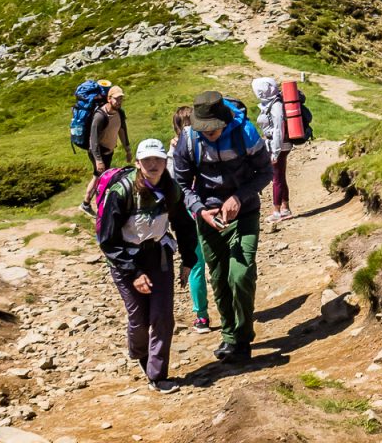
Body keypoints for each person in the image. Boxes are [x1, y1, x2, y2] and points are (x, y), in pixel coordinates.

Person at [95, 138, 200, 393]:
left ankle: (157, 375)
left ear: (165, 161)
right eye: (147, 160)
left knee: (163, 317)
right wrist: (134, 273)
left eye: (158, 160)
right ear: (138, 163)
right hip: (126, 260)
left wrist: (189, 260)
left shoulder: (171, 189)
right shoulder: (121, 192)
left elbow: (184, 225)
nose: (153, 165)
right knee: (139, 319)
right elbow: (107, 240)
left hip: (159, 256)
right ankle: (141, 354)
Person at [176, 90, 270, 364]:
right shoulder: (189, 139)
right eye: (203, 129)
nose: (208, 134)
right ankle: (230, 336)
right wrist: (200, 210)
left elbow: (265, 172)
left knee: (240, 275)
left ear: (223, 120)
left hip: (245, 213)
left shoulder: (246, 133)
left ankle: (242, 337)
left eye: (212, 129)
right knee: (218, 278)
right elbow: (181, 184)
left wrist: (239, 198)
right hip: (208, 217)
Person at [168, 105, 213, 334]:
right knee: (217, 259)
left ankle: (202, 316)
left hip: (185, 214)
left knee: (197, 265)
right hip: (208, 208)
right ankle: (230, 308)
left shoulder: (172, 153)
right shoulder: (205, 143)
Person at [80, 85, 130, 214]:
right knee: (99, 177)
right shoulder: (100, 116)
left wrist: (127, 149)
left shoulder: (120, 112)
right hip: (98, 152)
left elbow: (122, 130)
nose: (119, 102)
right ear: (109, 99)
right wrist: (98, 160)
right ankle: (88, 203)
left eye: (121, 99)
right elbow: (93, 140)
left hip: (109, 151)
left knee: (101, 178)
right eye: (116, 99)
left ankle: (94, 203)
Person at [251, 78, 294, 221]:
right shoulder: (272, 103)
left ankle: (277, 211)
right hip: (278, 144)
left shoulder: (276, 106)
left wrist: (275, 152)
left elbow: (278, 130)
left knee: (276, 178)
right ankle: (285, 208)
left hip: (279, 145)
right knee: (280, 176)